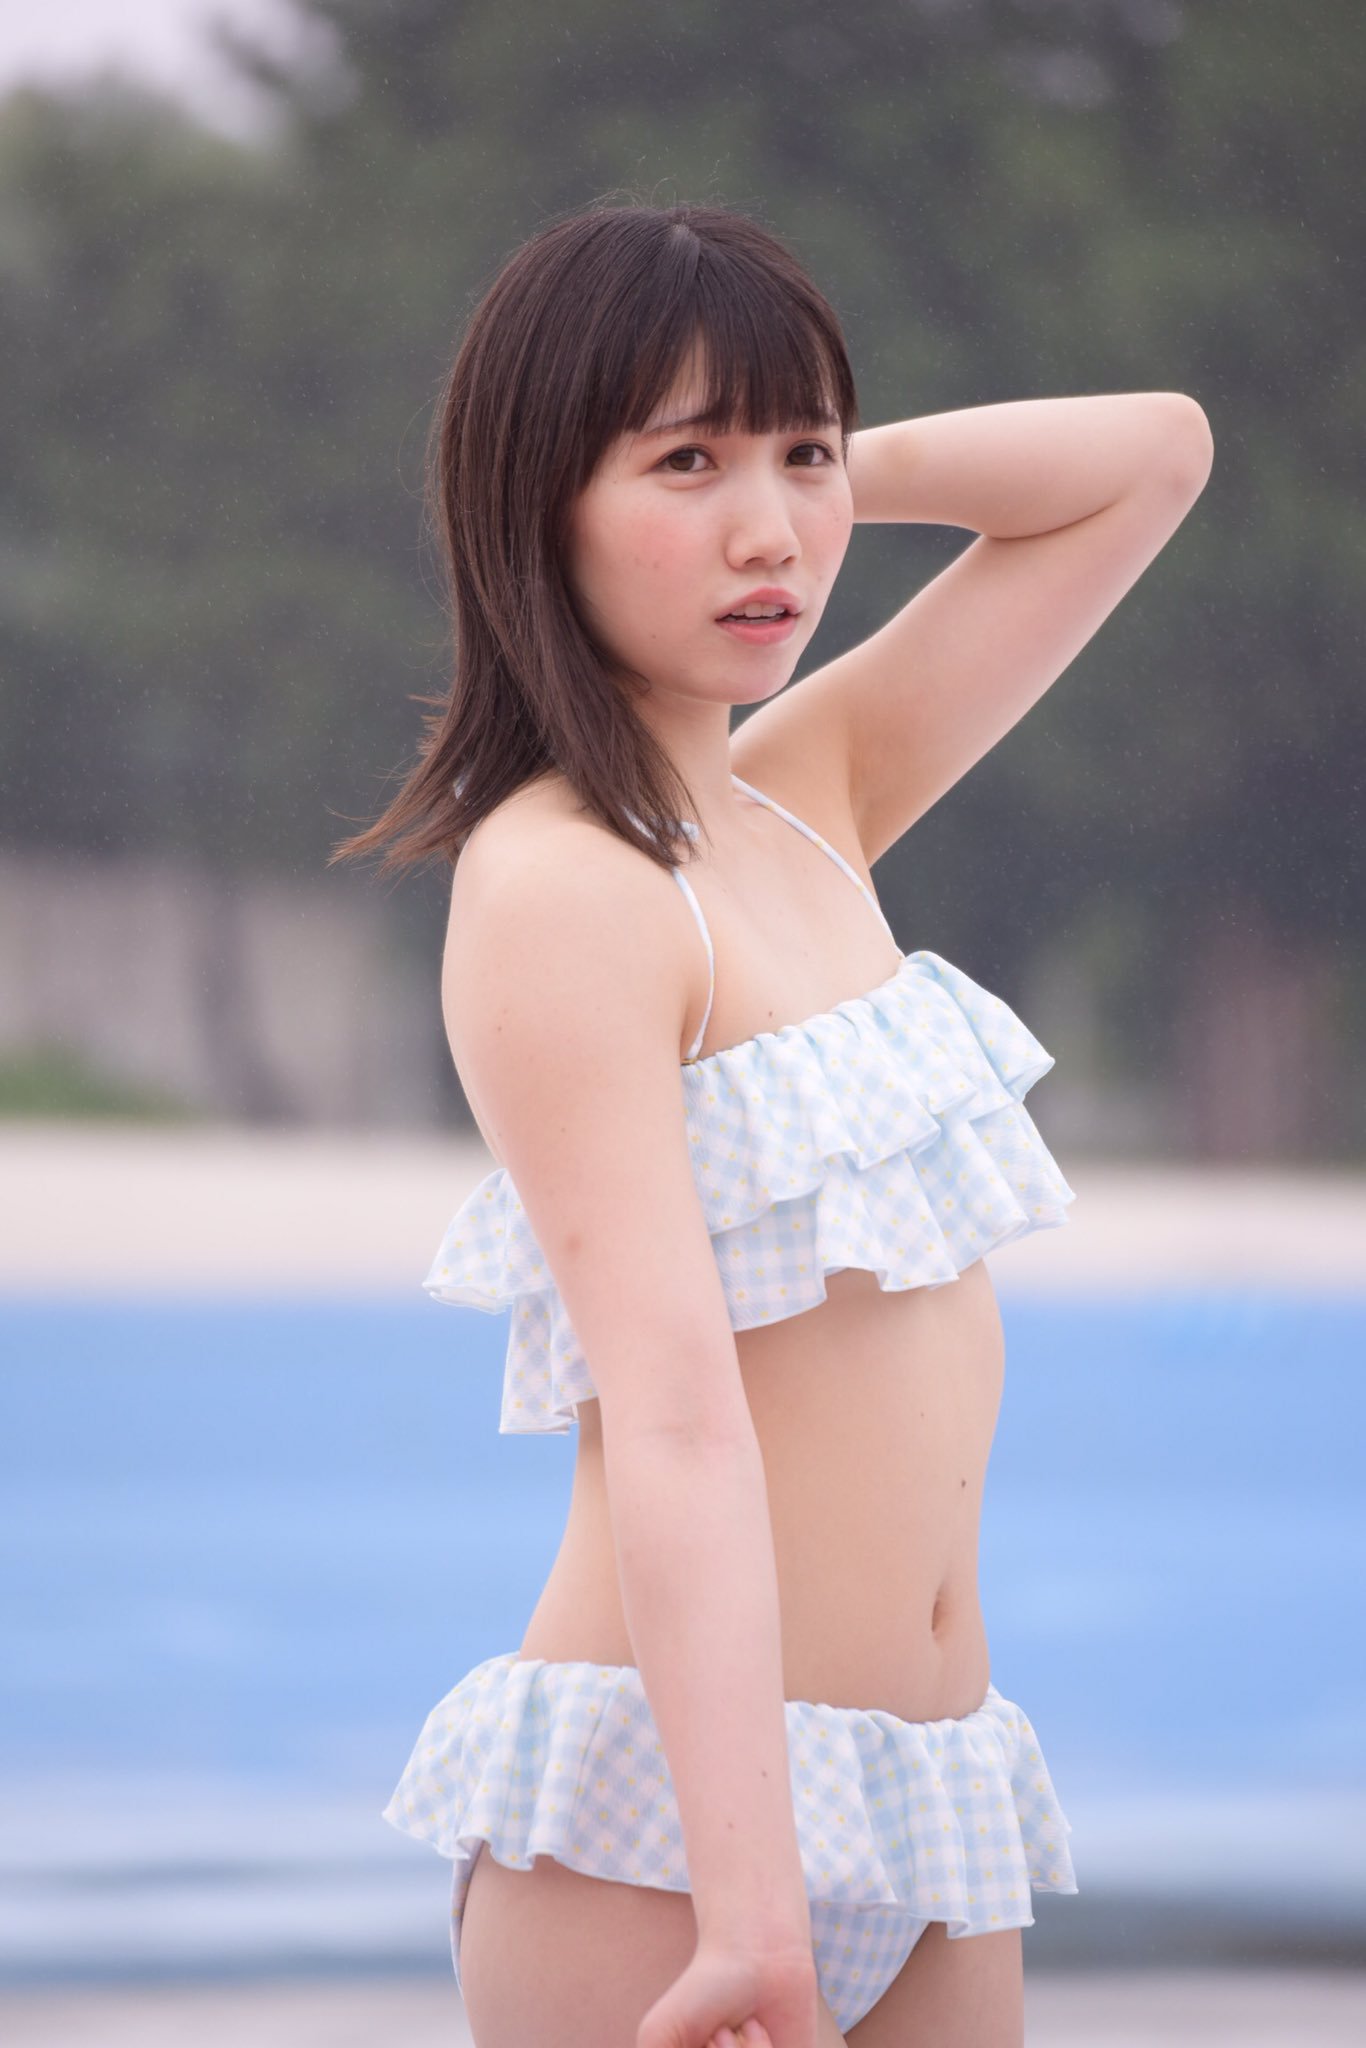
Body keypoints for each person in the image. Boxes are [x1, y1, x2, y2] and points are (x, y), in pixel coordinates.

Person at [334, 199, 1212, 2048]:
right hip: (671, 1841)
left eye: (798, 456)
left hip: (930, 1790)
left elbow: (1150, 455)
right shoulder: (565, 886)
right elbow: (672, 1421)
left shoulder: (810, 792)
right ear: (536, 504)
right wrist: (754, 1916)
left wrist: (807, 470)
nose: (771, 532)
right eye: (683, 465)